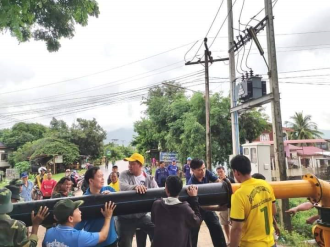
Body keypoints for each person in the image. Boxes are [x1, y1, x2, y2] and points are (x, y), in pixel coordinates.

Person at [230, 155, 276, 247]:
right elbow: (273, 211)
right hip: (271, 243)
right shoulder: (266, 185)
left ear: (236, 172)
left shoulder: (238, 195)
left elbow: (236, 229)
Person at [117, 153, 158, 247]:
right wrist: (136, 187)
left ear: (140, 165)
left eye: (132, 164)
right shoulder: (124, 174)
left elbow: (157, 192)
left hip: (142, 215)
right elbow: (122, 186)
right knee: (124, 244)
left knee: (158, 231)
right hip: (125, 217)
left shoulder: (149, 178)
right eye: (129, 163)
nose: (129, 166)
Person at [151, 176, 202, 247]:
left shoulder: (157, 204)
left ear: (166, 189)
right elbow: (197, 222)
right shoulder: (184, 208)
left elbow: (153, 220)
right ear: (180, 189)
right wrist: (194, 198)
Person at [43, 199, 116, 247]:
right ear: (70, 218)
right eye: (77, 210)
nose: (80, 211)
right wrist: (108, 217)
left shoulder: (49, 232)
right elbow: (103, 236)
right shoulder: (79, 237)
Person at [187, 158, 226, 247]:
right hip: (196, 209)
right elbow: (198, 206)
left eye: (204, 168)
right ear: (193, 170)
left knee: (216, 227)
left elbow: (218, 182)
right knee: (193, 233)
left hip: (208, 207)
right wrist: (217, 208)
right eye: (199, 170)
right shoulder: (191, 184)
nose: (203, 171)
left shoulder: (206, 172)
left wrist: (221, 181)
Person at [75, 166, 118, 247]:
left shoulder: (110, 190)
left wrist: (112, 196)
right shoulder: (84, 201)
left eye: (102, 176)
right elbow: (78, 226)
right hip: (94, 243)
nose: (102, 179)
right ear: (91, 181)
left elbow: (121, 204)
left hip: (111, 241)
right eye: (99, 176)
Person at [216, 166, 235, 243]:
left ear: (224, 171)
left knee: (233, 223)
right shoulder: (216, 182)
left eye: (221, 171)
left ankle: (234, 240)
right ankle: (229, 240)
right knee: (225, 224)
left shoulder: (230, 180)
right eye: (218, 172)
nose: (220, 173)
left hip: (231, 205)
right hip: (222, 205)